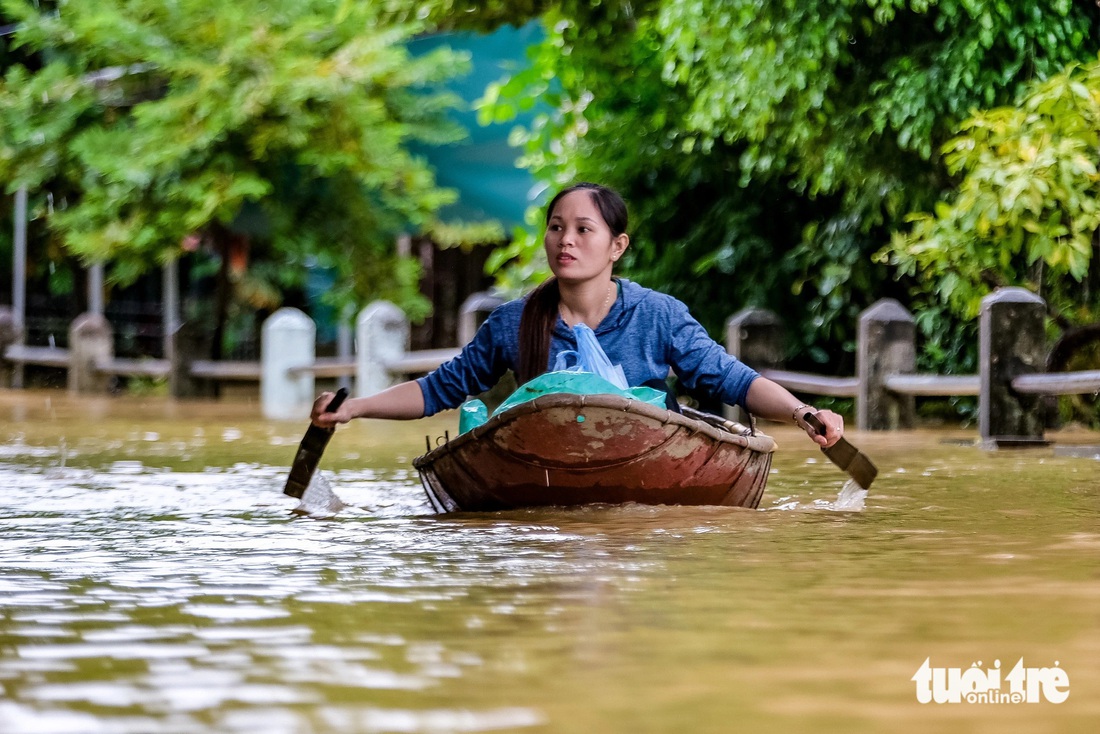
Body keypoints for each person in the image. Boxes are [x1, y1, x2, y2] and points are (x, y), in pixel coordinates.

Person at [311, 182, 844, 448]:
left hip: (644, 458)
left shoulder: (657, 315)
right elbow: (438, 390)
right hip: (543, 464)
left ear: (617, 246)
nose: (565, 239)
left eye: (583, 229)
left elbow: (734, 378)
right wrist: (353, 408)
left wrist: (803, 414)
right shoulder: (511, 323)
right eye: (555, 226)